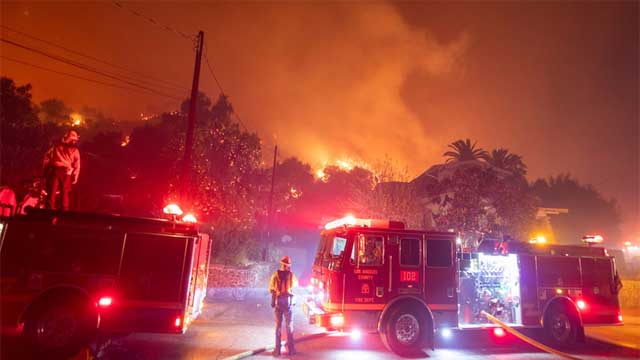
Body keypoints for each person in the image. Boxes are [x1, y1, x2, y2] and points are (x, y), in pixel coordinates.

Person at [43, 130, 81, 210]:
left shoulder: (56, 147)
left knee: (52, 193)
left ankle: (49, 211)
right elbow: (77, 165)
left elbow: (46, 158)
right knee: (64, 193)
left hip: (55, 171)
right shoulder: (75, 150)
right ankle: (64, 213)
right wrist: (75, 176)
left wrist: (45, 172)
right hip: (66, 173)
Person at [269, 256, 298, 356]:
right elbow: (295, 287)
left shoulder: (275, 275)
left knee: (278, 327)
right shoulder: (291, 275)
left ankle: (277, 351)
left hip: (278, 303)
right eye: (288, 265)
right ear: (287, 265)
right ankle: (291, 350)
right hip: (288, 303)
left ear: (281, 264)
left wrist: (275, 293)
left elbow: (271, 288)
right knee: (289, 326)